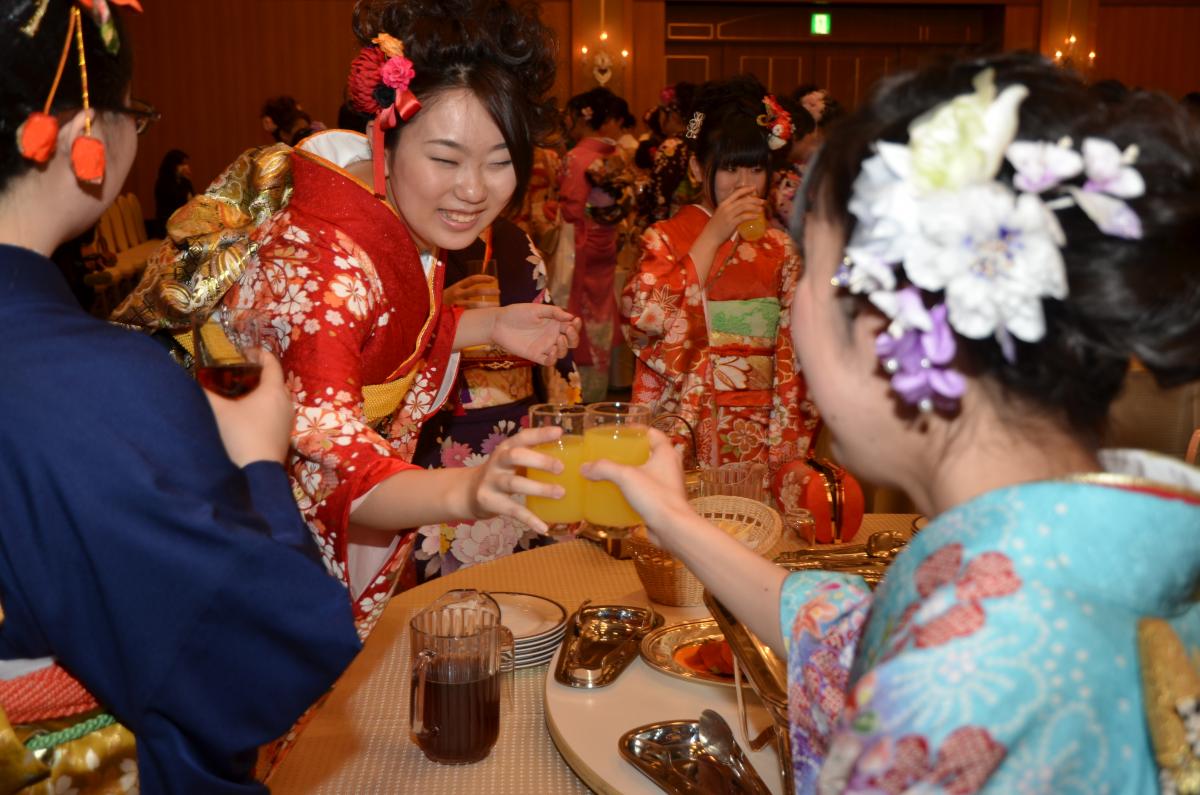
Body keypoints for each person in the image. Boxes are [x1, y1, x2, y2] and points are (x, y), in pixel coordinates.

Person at [589, 53, 1200, 792]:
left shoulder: (944, 702)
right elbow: (858, 634)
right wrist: (677, 519)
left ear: (895, 331)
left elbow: (913, 661)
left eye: (812, 267)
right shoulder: (1111, 554)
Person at [118, 0, 579, 639]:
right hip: (251, 509)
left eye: (500, 161)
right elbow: (332, 454)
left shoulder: (388, 211)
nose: (474, 189)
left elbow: (381, 332)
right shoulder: (323, 259)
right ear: (382, 138)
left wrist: (483, 326)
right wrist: (468, 491)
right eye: (445, 159)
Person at [0, 1, 360, 790]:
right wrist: (260, 464)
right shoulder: (102, 384)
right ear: (86, 131)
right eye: (137, 113)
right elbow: (258, 649)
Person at [622, 76, 818, 492]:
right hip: (694, 408)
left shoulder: (780, 247)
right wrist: (711, 237)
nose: (744, 182)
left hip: (763, 413)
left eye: (756, 168)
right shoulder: (665, 238)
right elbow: (645, 317)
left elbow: (801, 341)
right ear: (697, 168)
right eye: (729, 167)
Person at [412, 217, 580, 581]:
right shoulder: (407, 233)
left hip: (516, 423)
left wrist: (558, 335)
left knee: (521, 559)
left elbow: (543, 323)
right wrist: (438, 306)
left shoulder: (514, 238)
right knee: (445, 569)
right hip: (441, 427)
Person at [560, 86, 634, 401]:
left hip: (580, 242)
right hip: (607, 240)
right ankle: (604, 382)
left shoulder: (576, 156)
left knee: (577, 309)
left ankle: (580, 388)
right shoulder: (615, 154)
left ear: (583, 117)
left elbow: (572, 207)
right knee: (603, 310)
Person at [152, 147, 193, 230]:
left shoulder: (185, 181)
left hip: (182, 222)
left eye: (186, 164)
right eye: (182, 164)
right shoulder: (163, 182)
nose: (185, 167)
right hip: (168, 223)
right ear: (173, 165)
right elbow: (179, 203)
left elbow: (191, 201)